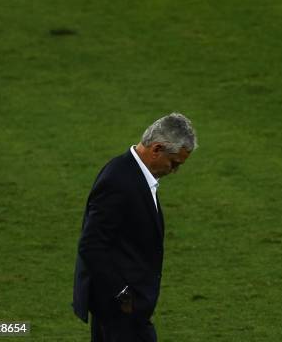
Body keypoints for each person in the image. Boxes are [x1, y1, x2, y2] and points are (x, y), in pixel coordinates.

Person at [72, 113, 197, 341]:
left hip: (127, 309)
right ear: (157, 149)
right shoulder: (119, 180)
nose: (174, 171)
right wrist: (122, 295)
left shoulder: (134, 173)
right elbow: (91, 245)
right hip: (119, 310)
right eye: (174, 163)